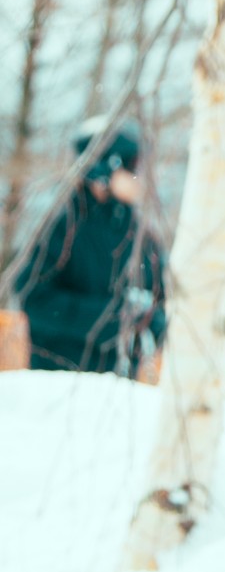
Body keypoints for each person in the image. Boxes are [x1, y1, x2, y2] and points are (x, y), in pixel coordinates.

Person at [15, 116, 166, 378]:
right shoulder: (63, 227)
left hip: (120, 390)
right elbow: (33, 297)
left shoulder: (141, 234)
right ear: (106, 168)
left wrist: (153, 321)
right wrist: (111, 318)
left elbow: (160, 296)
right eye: (132, 167)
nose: (140, 178)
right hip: (60, 382)